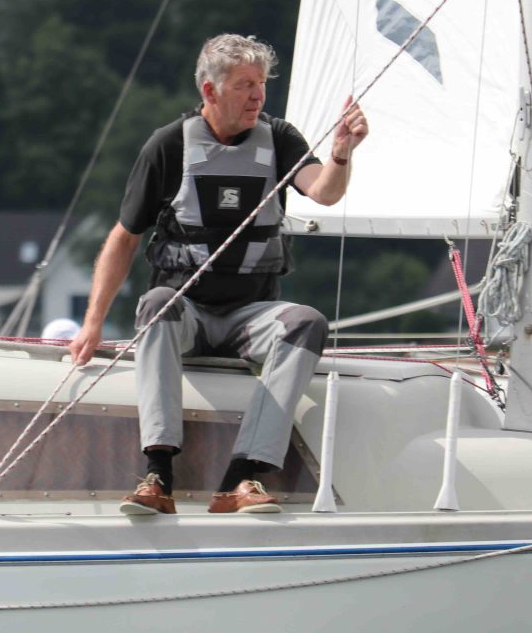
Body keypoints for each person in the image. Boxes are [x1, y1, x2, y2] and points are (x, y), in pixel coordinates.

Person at [69, 33, 367, 515]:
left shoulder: (280, 138)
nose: (257, 96)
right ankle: (157, 474)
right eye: (244, 85)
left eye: (262, 83)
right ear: (210, 90)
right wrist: (93, 323)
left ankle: (242, 478)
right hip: (187, 315)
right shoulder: (168, 145)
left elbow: (325, 192)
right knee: (156, 303)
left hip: (251, 316)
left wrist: (341, 152)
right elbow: (124, 238)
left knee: (307, 321)